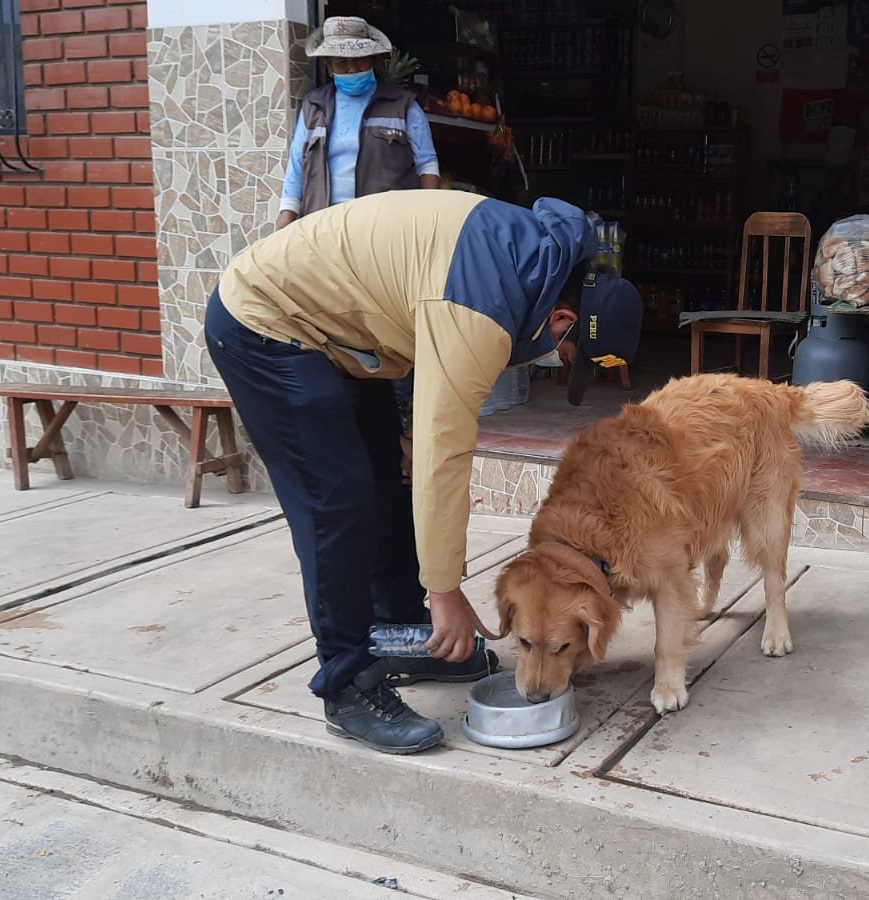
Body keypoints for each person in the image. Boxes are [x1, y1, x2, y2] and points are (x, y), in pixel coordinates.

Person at [204, 189, 643, 754]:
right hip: (265, 323)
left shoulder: (528, 262)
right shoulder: (484, 304)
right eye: (565, 353)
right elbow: (447, 452)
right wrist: (446, 591)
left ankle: (412, 644)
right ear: (562, 318)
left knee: (390, 480)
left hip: (342, 334)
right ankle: (347, 685)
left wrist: (404, 428)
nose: (554, 361)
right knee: (336, 504)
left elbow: (414, 318)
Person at [276, 16, 441, 230]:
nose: (352, 69)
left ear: (372, 59)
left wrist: (430, 216)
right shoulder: (313, 106)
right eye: (341, 63)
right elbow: (297, 166)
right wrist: (286, 216)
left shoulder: (402, 105)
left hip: (385, 227)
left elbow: (426, 164)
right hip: (324, 225)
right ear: (328, 66)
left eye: (360, 59)